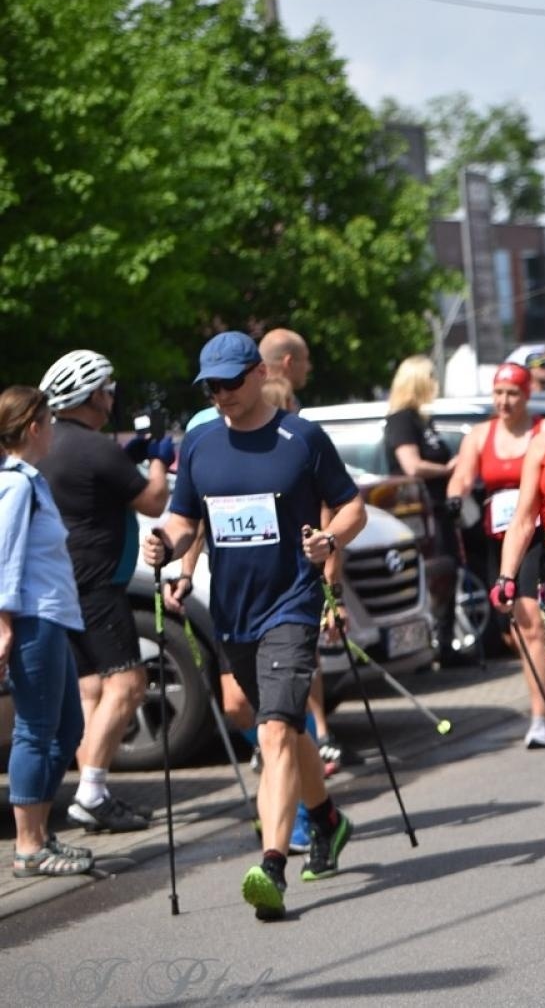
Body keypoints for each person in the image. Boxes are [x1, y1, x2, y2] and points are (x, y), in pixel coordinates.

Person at [142, 332, 365, 920]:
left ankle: (272, 865)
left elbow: (352, 505)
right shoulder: (200, 443)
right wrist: (165, 543)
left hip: (291, 606)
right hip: (233, 613)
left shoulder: (302, 439)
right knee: (274, 726)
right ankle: (328, 820)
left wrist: (330, 540)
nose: (220, 395)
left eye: (229, 383)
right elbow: (186, 517)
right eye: (210, 386)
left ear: (257, 374)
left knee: (273, 731)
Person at [35, 351, 171, 834]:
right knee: (129, 683)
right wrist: (157, 455)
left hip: (60, 583)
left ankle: (96, 791)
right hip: (97, 584)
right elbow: (155, 499)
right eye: (108, 389)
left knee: (91, 688)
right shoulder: (95, 449)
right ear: (93, 395)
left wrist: (128, 455)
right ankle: (90, 794)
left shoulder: (48, 445)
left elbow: (98, 482)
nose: (112, 398)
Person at [2, 386, 93, 878]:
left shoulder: (30, 482)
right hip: (33, 617)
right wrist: (3, 623)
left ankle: (38, 831)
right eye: (51, 422)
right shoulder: (16, 485)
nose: (55, 430)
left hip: (52, 616)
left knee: (67, 729)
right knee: (35, 730)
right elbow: (5, 555)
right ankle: (28, 846)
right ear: (34, 426)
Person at [460, 361, 545, 749]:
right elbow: (462, 477)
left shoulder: (543, 431)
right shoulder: (480, 435)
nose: (504, 401)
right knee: (515, 635)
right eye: (499, 393)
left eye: (513, 393)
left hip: (536, 535)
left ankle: (540, 716)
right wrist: (457, 496)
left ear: (525, 396)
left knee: (531, 621)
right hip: (495, 541)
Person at [383, 355, 459, 660]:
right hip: (420, 515)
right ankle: (431, 646)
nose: (435, 383)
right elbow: (411, 466)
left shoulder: (422, 419)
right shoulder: (401, 419)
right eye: (431, 377)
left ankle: (445, 641)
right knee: (434, 576)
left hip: (439, 510)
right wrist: (448, 469)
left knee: (447, 572)